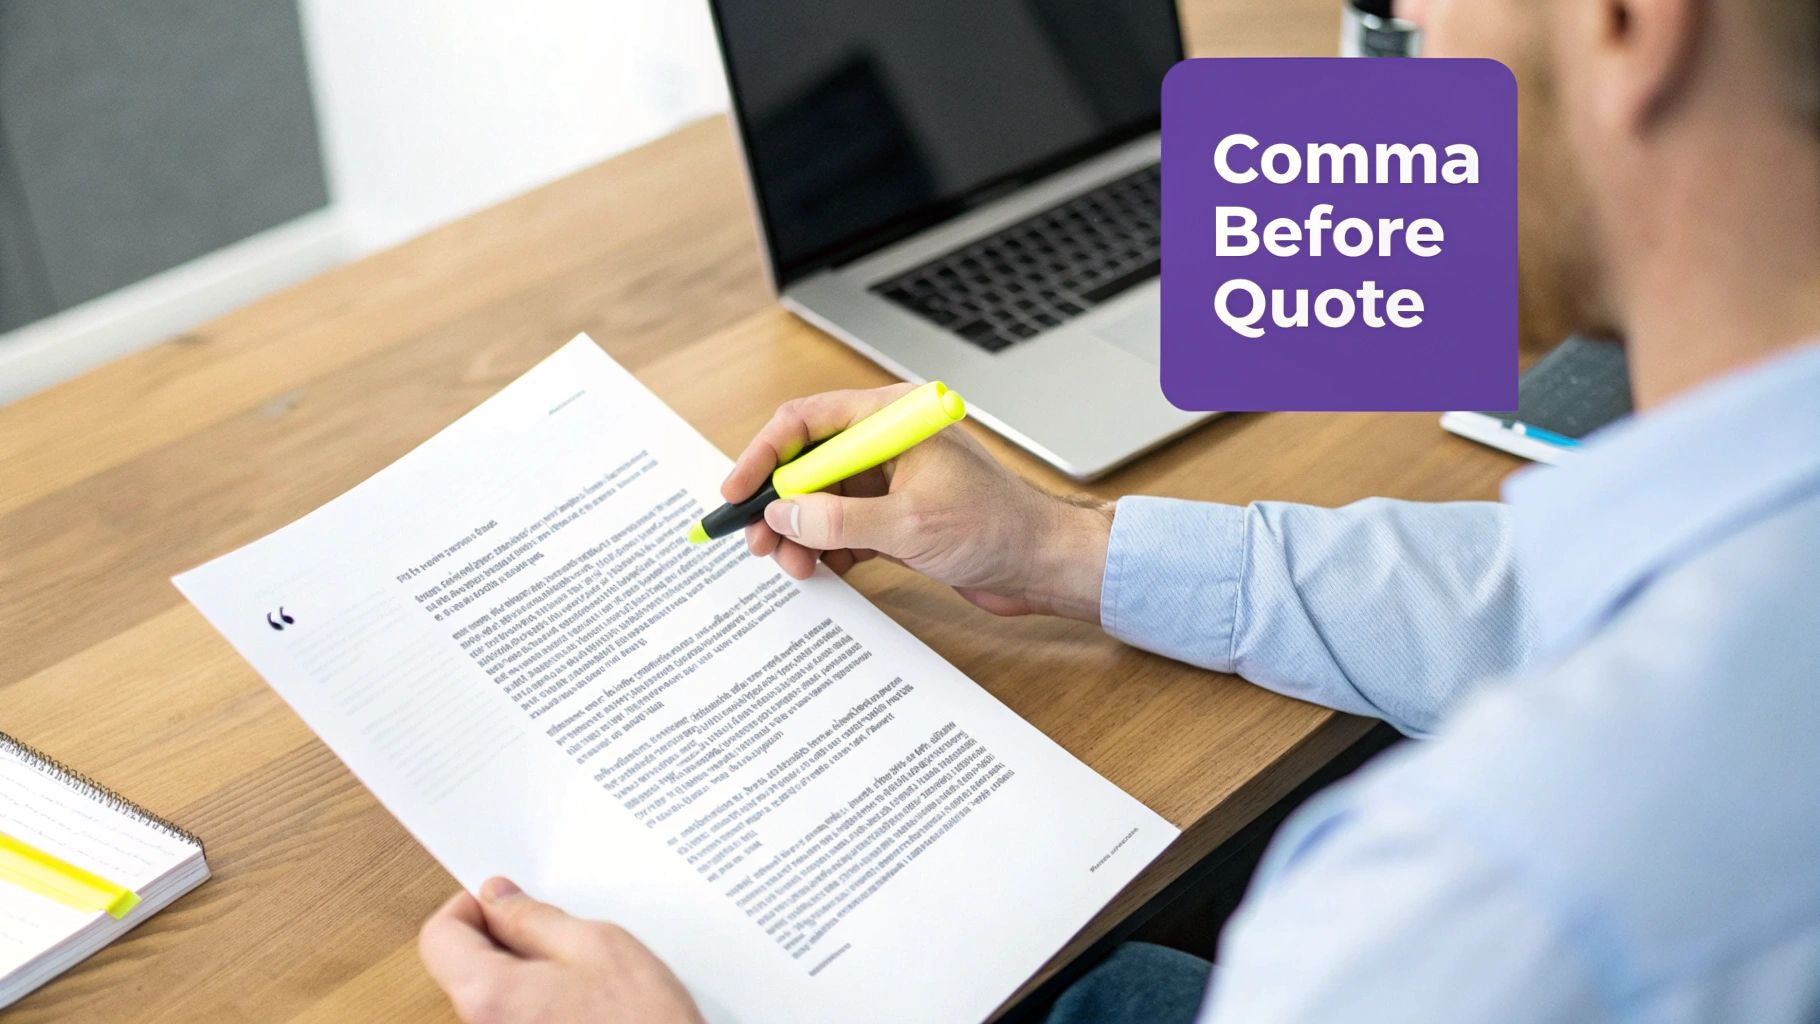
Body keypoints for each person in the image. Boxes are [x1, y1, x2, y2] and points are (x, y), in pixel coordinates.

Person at [416, 0, 1820, 1018]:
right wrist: (1062, 550)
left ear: (1634, 24)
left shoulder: (1481, 905)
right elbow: (1525, 596)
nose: (1402, 71)